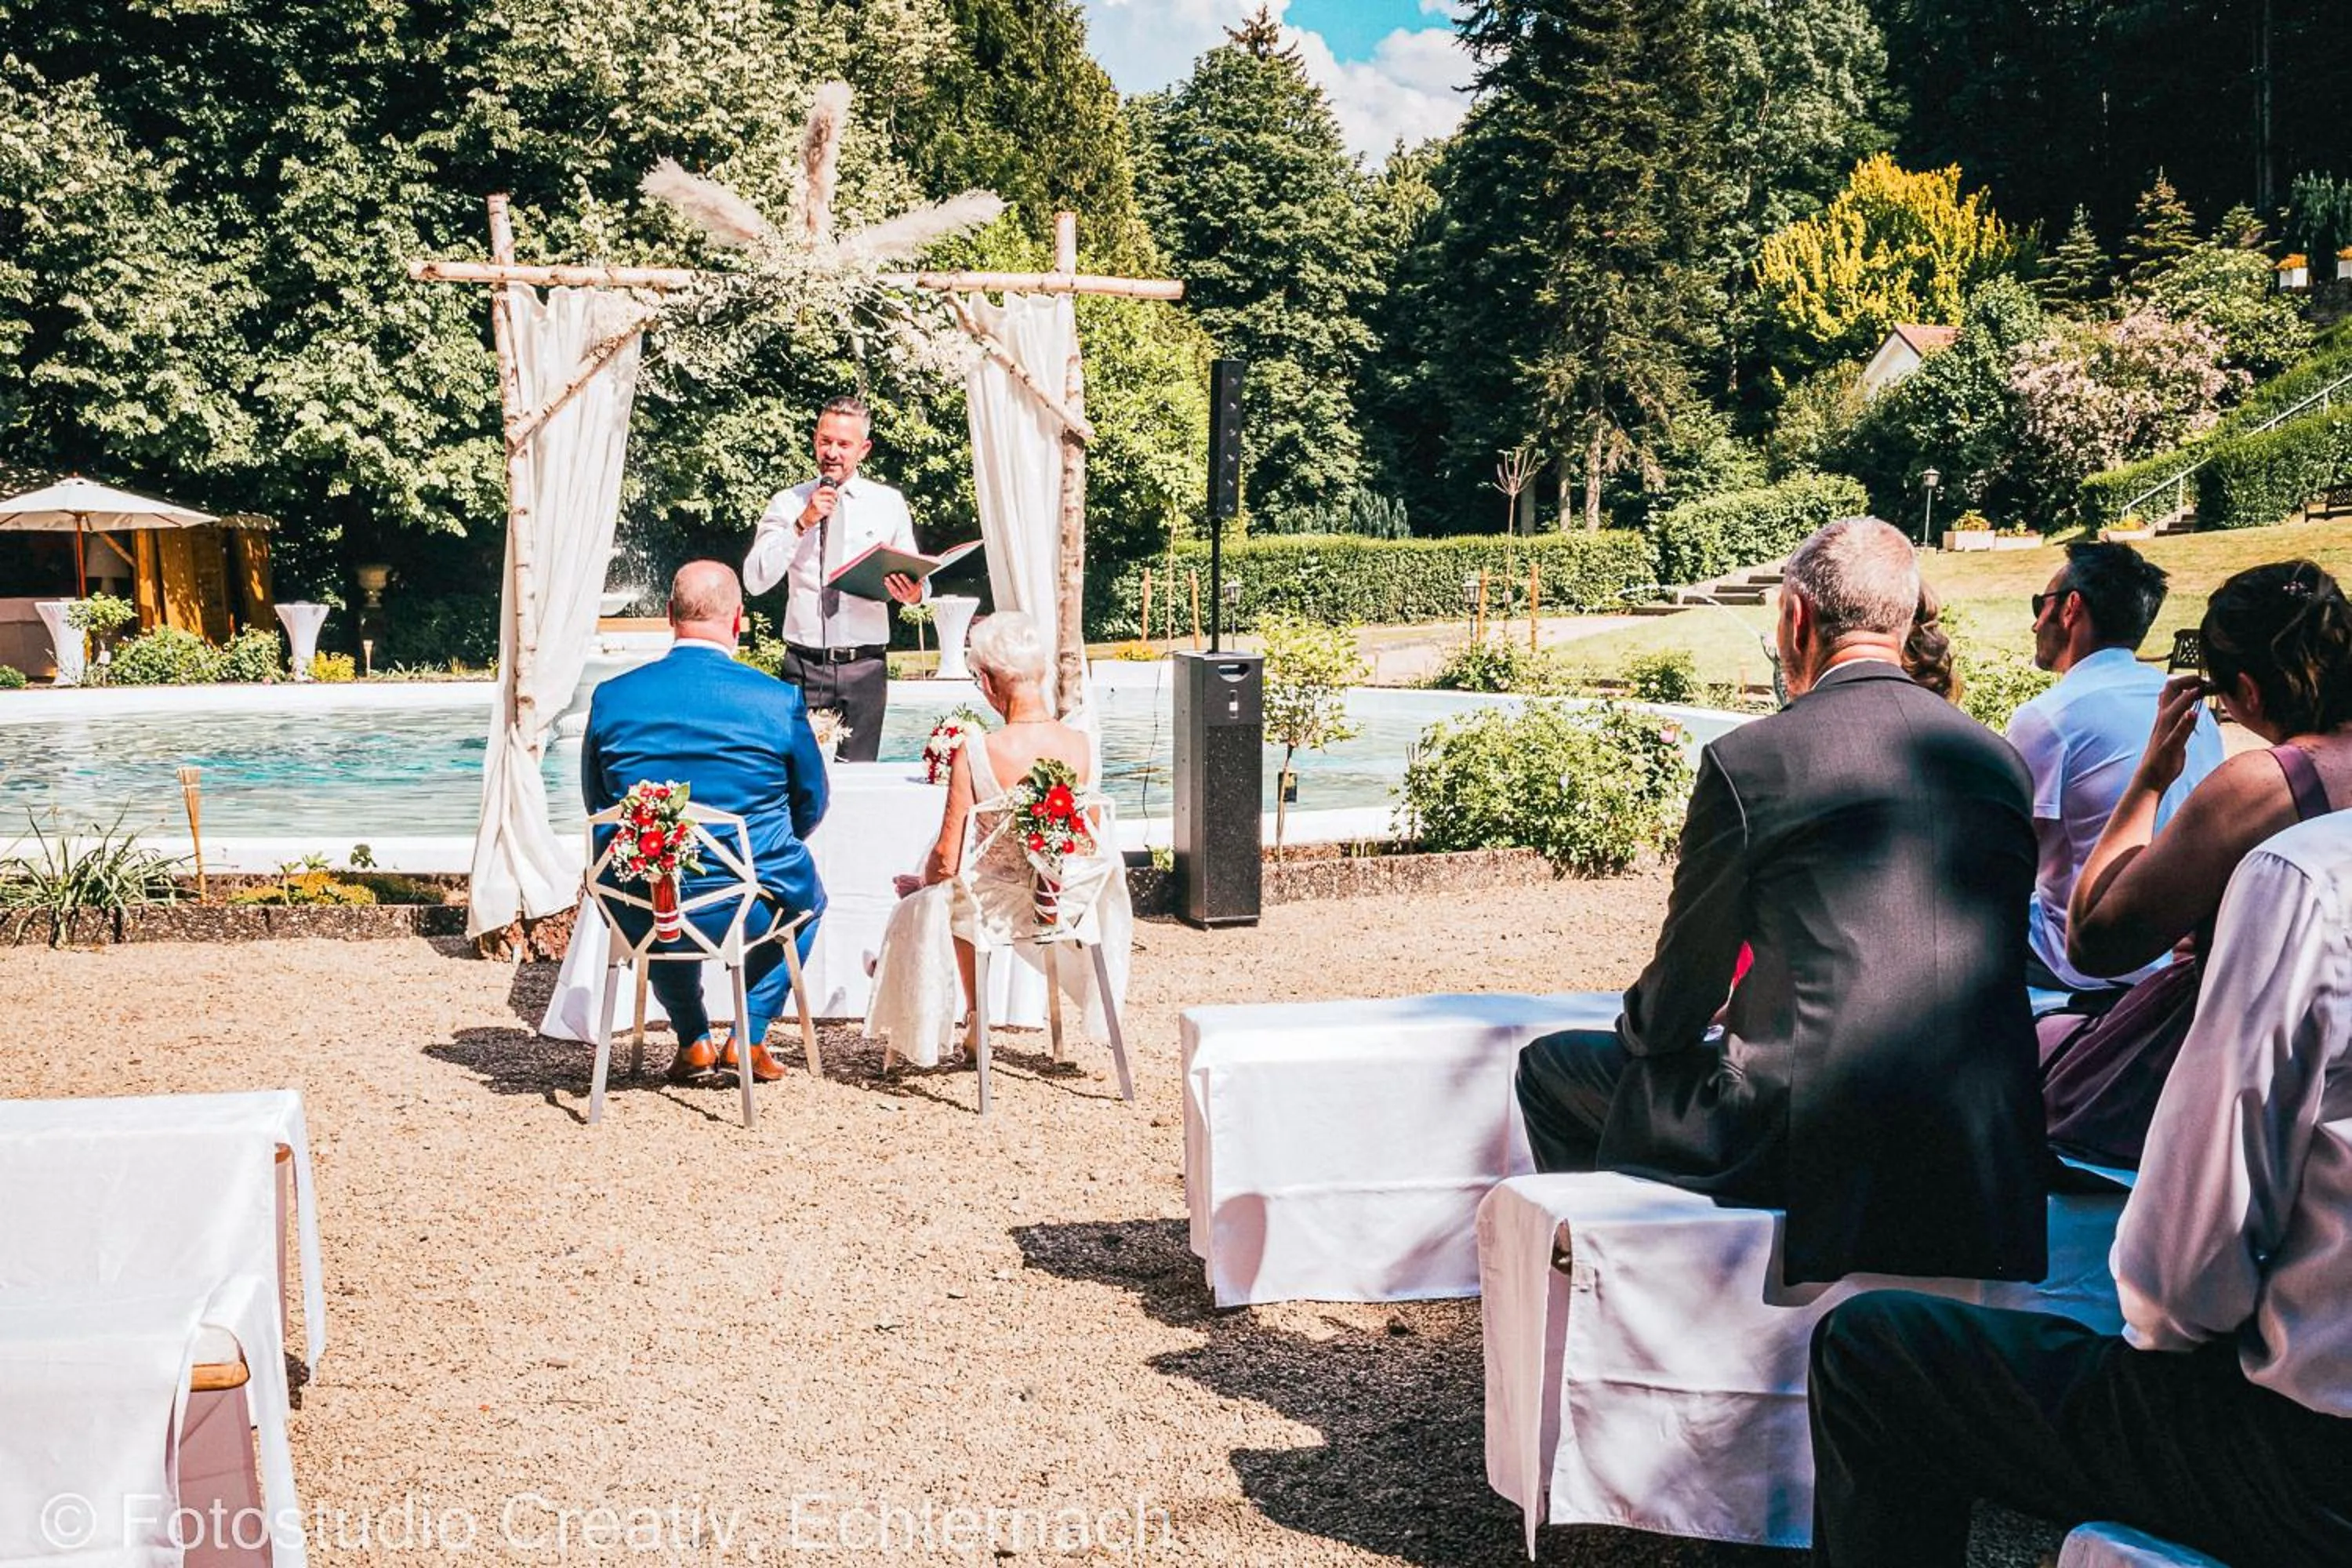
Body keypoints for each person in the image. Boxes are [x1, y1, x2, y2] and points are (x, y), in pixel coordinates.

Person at [1808, 806, 2352, 1567]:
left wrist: (2173, 1328)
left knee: (1874, 1348)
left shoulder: (2311, 872)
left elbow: (2186, 1278)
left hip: (2311, 1469)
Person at [1514, 517, 2046, 1286]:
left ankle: (1621, 1296)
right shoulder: (1996, 761)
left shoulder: (1753, 759)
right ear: (1902, 620)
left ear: (1797, 619)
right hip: (1983, 1130)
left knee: (1553, 1065)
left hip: (1806, 1132)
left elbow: (1679, 999)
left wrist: (1642, 1030)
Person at [2032, 562, 2352, 1164]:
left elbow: (2095, 941)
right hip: (2335, 1054)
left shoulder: (2264, 786)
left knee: (2039, 1053)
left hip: (2242, 1059)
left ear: (2249, 693)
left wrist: (2150, 779)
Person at [582, 561, 829, 1085]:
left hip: (644, 906)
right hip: (750, 905)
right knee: (807, 902)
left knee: (658, 881)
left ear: (668, 615)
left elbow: (597, 803)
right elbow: (811, 802)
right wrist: (766, 847)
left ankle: (694, 1039)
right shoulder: (776, 699)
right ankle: (748, 1035)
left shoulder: (612, 697)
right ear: (739, 620)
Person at [862, 612, 1125, 1067]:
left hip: (998, 911)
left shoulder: (978, 750)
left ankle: (973, 1014)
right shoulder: (1083, 744)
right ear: (1039, 672)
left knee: (935, 897)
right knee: (952, 893)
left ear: (985, 681)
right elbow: (1088, 839)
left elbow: (946, 859)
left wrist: (921, 885)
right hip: (1066, 901)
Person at [2005, 542, 2223, 993]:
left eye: (2038, 606)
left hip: (2083, 963)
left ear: (2070, 609)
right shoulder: (2189, 707)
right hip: (2175, 958)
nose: (2033, 623)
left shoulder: (2050, 717)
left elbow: (2007, 853)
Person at [743, 394, 924, 763]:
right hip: (804, 666)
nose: (833, 452)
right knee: (798, 779)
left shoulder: (887, 503)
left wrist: (915, 593)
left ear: (864, 449)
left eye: (844, 444)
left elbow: (914, 569)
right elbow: (755, 579)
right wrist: (801, 524)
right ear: (815, 440)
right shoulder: (788, 503)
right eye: (826, 441)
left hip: (865, 667)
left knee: (860, 779)